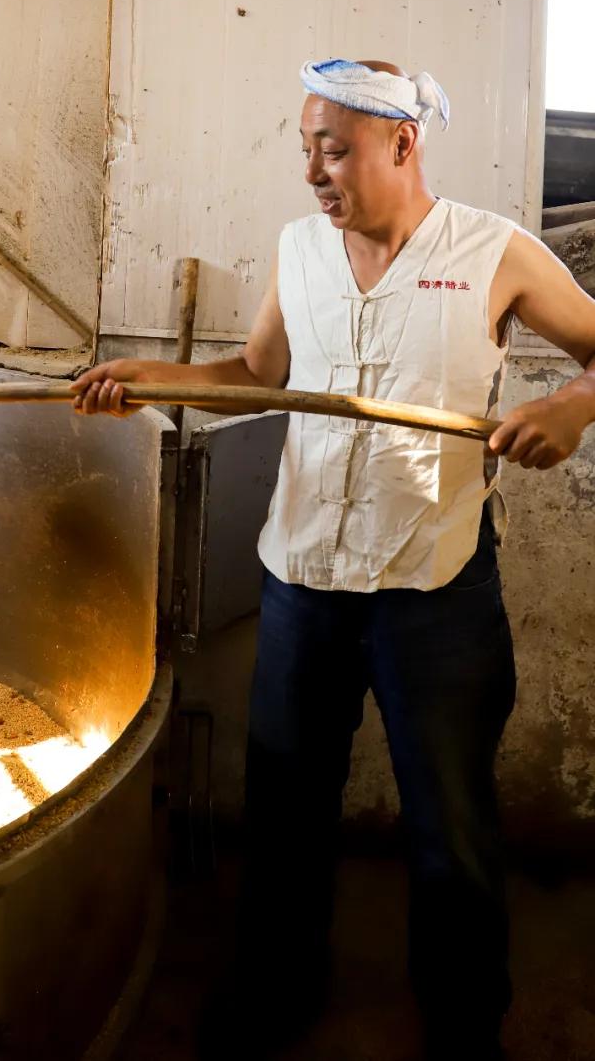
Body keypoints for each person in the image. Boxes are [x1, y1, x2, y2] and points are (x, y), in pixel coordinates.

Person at [72, 57, 595, 1061]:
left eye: (336, 149)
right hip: (305, 577)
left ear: (404, 145)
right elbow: (258, 374)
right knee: (285, 812)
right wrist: (157, 380)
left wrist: (570, 406)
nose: (315, 171)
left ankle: (463, 1020)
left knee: (451, 824)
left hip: (433, 588)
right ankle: (277, 991)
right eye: (306, 147)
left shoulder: (497, 253)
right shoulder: (300, 249)